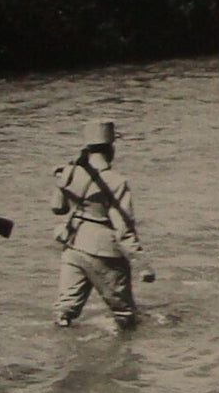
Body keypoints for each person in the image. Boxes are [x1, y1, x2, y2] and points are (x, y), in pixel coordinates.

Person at [51, 120, 155, 329]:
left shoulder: (69, 173)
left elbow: (58, 208)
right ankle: (124, 356)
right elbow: (123, 228)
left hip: (73, 246)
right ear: (111, 148)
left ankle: (64, 355)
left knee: (65, 311)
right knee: (125, 315)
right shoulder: (116, 181)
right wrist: (142, 263)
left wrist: (64, 178)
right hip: (104, 252)